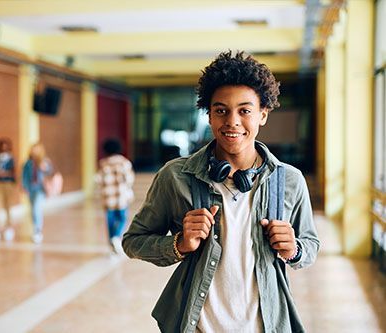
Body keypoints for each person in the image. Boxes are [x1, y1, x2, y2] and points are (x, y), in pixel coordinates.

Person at [122, 50, 320, 332]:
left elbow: (310, 245)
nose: (232, 122)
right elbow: (133, 241)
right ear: (209, 114)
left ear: (263, 114)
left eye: (245, 110)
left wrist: (294, 249)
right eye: (221, 110)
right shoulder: (176, 176)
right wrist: (178, 244)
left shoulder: (289, 180)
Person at [96, 138, 135, 254]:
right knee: (122, 218)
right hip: (121, 196)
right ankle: (116, 237)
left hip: (108, 197)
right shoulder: (124, 162)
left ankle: (111, 241)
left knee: (110, 220)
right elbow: (129, 179)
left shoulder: (103, 163)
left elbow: (99, 180)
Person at [22, 142, 53, 244]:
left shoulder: (45, 162)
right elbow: (24, 176)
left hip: (40, 189)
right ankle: (35, 227)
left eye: (36, 149)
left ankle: (38, 230)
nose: (34, 151)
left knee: (36, 208)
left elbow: (50, 172)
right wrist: (24, 187)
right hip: (31, 189)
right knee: (32, 209)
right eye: (32, 149)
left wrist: (45, 168)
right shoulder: (28, 163)